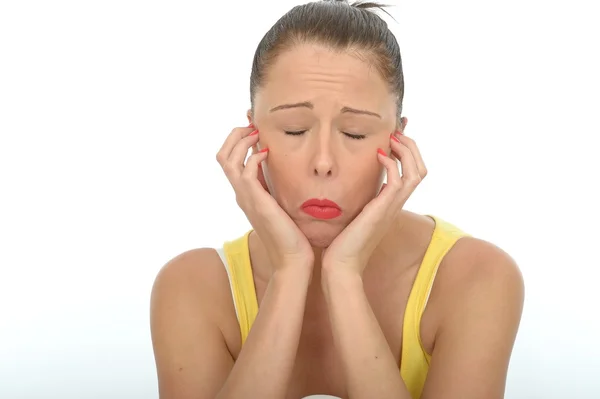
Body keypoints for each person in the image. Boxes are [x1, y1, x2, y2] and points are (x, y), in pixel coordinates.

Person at [149, 1, 525, 398]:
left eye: (356, 133)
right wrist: (290, 271)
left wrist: (343, 276)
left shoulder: (476, 279)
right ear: (251, 135)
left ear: (399, 142)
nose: (324, 162)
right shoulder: (192, 288)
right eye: (295, 130)